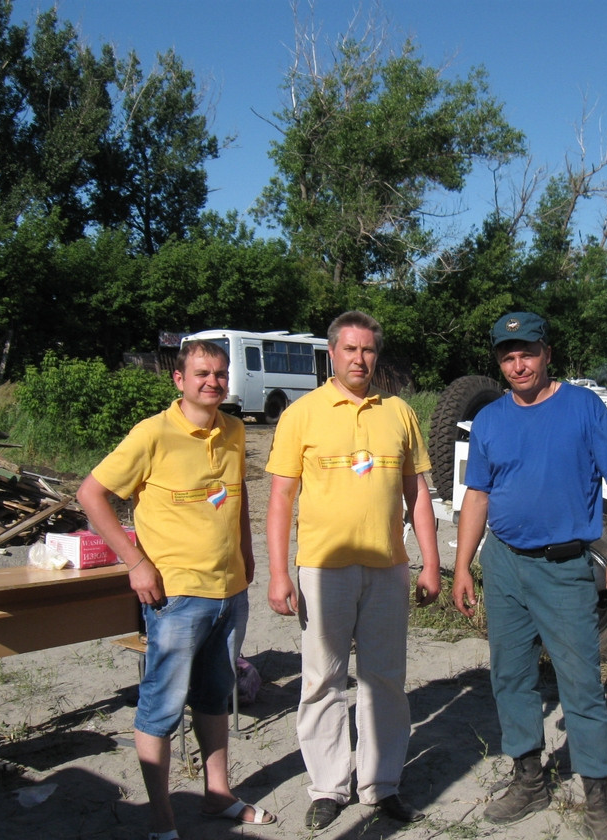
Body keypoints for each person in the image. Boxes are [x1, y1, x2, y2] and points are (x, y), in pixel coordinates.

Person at [76, 340, 272, 840]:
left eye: (221, 373)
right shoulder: (153, 434)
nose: (214, 381)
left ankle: (217, 796)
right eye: (202, 373)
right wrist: (136, 563)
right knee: (161, 707)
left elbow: (237, 496)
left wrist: (247, 557)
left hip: (230, 592)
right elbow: (91, 494)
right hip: (176, 596)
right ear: (179, 380)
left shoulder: (231, 431)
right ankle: (161, 820)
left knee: (214, 697)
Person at [451, 312, 607, 840]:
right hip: (504, 562)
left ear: (547, 352)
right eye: (508, 357)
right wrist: (463, 565)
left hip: (564, 568)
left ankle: (599, 801)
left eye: (527, 352)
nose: (518, 364)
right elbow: (477, 495)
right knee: (510, 675)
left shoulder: (584, 407)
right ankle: (529, 779)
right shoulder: (489, 419)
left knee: (580, 684)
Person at [265, 310, 441, 831]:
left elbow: (418, 495)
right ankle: (328, 786)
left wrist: (431, 562)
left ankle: (380, 785)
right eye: (350, 349)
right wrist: (279, 572)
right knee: (322, 680)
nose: (359, 359)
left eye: (367, 350)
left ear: (375, 355)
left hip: (388, 569)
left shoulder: (400, 414)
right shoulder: (302, 413)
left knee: (385, 680)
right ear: (331, 353)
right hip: (324, 570)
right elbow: (280, 499)